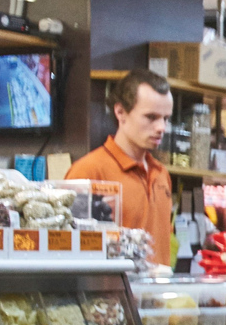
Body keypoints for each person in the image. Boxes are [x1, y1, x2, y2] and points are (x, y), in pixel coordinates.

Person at [65, 70, 174, 265]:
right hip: (111, 293)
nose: (161, 128)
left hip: (157, 292)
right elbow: (71, 250)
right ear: (120, 112)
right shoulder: (88, 171)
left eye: (166, 118)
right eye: (151, 117)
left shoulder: (161, 174)